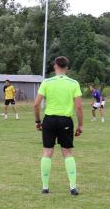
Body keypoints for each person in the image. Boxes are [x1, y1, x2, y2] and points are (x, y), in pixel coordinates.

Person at [34, 56, 83, 196]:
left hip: (49, 120)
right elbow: (79, 107)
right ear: (67, 67)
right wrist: (80, 125)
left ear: (55, 66)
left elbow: (36, 104)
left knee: (47, 152)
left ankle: (45, 187)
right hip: (65, 121)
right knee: (67, 153)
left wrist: (38, 121)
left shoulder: (46, 82)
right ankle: (73, 187)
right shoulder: (73, 83)